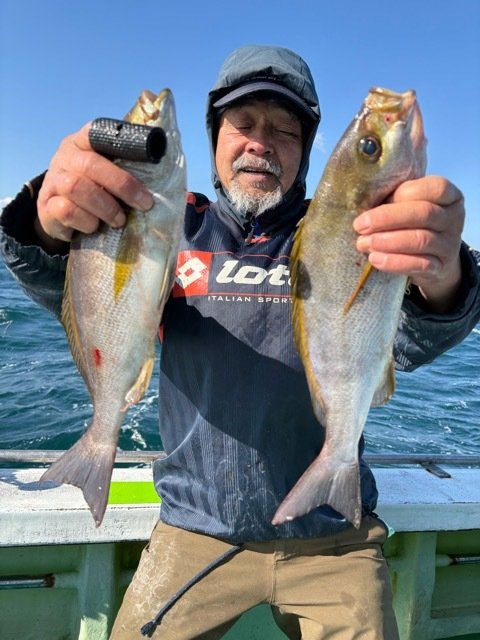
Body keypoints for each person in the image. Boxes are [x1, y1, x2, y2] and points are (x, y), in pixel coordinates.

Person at [1, 45, 480, 640]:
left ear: (306, 152)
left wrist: (444, 276)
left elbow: (407, 341)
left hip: (335, 538)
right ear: (214, 139)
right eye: (243, 124)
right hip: (193, 531)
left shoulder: (347, 236)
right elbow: (77, 294)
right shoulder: (170, 224)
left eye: (284, 131)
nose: (261, 143)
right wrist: (47, 222)